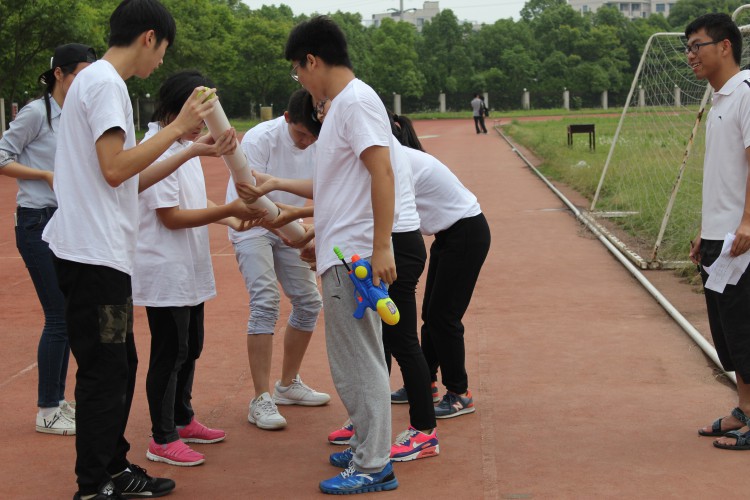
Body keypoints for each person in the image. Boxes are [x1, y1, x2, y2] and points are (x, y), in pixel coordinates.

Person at [41, 0, 229, 497]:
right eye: (163, 49)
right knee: (106, 371)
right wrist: (178, 127)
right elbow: (115, 168)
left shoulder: (95, 82)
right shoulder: (106, 83)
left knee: (119, 365)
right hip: (93, 258)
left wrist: (188, 147)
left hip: (99, 257)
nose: (161, 60)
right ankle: (93, 484)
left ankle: (113, 467)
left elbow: (128, 180)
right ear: (149, 37)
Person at [284, 15, 399, 495]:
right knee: (351, 358)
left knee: (358, 360)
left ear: (312, 60)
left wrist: (381, 245)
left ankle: (374, 464)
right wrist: (320, 236)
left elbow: (382, 171)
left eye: (297, 70)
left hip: (355, 257)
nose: (299, 80)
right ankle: (366, 446)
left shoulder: (355, 103)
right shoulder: (339, 108)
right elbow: (341, 187)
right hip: (342, 251)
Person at [133, 70, 254, 467]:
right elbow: (170, 217)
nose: (203, 123)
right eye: (199, 113)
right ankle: (162, 437)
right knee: (170, 352)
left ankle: (182, 418)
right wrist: (229, 209)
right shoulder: (157, 150)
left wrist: (229, 218)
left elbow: (193, 201)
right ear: (176, 107)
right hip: (165, 269)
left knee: (191, 345)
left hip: (188, 266)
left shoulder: (184, 147)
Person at [0, 43, 96, 436]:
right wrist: (43, 175)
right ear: (59, 74)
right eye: (80, 74)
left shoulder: (78, 113)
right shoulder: (37, 113)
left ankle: (57, 400)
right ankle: (47, 409)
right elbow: (2, 157)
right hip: (36, 221)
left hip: (67, 221)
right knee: (58, 315)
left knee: (70, 315)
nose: (86, 82)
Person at [226, 88, 329, 432]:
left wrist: (303, 233)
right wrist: (293, 231)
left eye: (312, 136)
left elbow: (326, 192)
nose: (306, 142)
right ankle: (260, 398)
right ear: (287, 118)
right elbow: (250, 197)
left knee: (309, 303)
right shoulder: (260, 139)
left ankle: (287, 384)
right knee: (266, 301)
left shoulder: (321, 142)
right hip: (252, 225)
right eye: (300, 134)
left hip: (291, 223)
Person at [390, 113, 491, 419]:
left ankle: (459, 393)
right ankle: (425, 382)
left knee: (443, 317)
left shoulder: (398, 161)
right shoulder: (397, 157)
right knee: (431, 315)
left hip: (465, 233)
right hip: (451, 235)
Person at [687, 13, 750, 451]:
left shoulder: (745, 93)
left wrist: (747, 222)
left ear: (725, 46)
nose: (690, 55)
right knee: (730, 334)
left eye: (697, 46)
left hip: (740, 240)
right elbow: (724, 176)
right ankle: (744, 410)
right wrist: (704, 230)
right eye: (687, 48)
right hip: (719, 237)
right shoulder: (719, 100)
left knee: (745, 329)